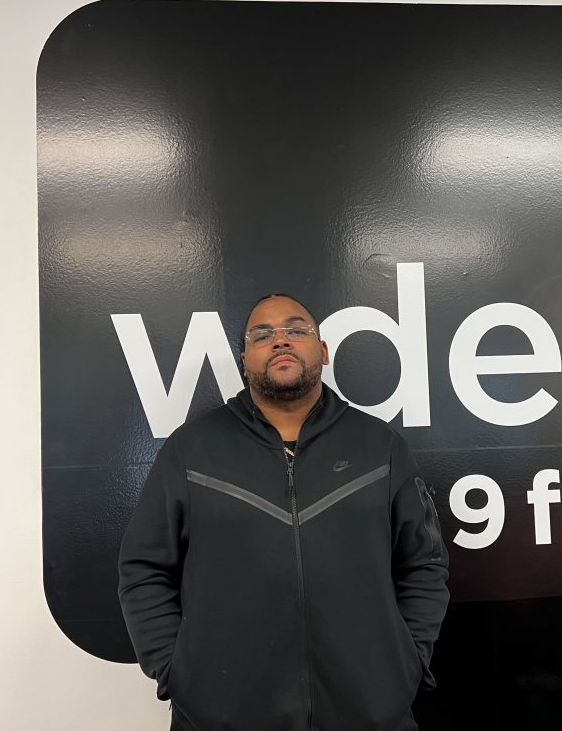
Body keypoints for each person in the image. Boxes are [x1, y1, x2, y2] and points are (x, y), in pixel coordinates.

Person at [118, 294, 450, 731]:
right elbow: (143, 570)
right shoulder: (191, 450)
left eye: (296, 330)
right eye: (262, 334)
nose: (280, 341)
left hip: (371, 716)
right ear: (244, 358)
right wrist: (179, 673)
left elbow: (424, 564)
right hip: (223, 719)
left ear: (323, 351)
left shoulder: (380, 448)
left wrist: (404, 664)